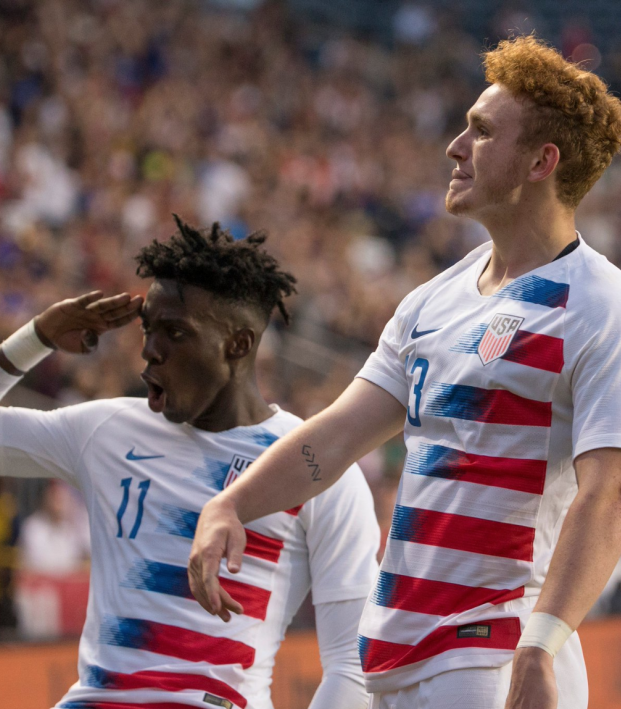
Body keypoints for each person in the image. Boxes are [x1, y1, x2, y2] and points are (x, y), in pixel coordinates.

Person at [189, 36, 621, 709]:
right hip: (391, 658)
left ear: (541, 161)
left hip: (497, 654)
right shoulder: (430, 300)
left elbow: (607, 496)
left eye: (480, 131)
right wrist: (231, 503)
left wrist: (541, 644)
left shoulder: (601, 305)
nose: (454, 145)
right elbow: (332, 438)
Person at [0, 217, 380, 709]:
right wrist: (36, 338)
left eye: (174, 332)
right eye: (147, 328)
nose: (149, 350)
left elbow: (352, 664)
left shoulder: (314, 466)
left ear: (238, 345)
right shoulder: (106, 430)